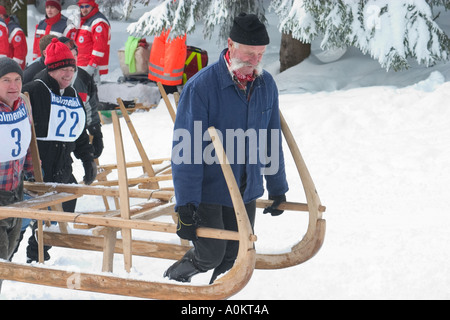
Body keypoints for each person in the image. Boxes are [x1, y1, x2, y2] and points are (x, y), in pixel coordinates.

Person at [164, 13, 289, 284]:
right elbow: (185, 149)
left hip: (247, 189)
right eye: (248, 53)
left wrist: (277, 186)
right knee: (211, 254)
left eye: (260, 54)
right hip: (210, 188)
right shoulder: (201, 87)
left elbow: (270, 139)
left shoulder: (266, 84)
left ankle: (217, 295)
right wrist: (186, 206)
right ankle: (171, 282)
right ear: (231, 45)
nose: (254, 61)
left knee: (235, 255)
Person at [22, 38, 97, 262]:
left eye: (72, 69)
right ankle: (8, 260)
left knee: (60, 213)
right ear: (51, 69)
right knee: (22, 220)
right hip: (36, 169)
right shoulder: (33, 90)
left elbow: (79, 132)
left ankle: (37, 254)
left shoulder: (72, 94)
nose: (68, 74)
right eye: (63, 69)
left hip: (62, 167)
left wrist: (87, 159)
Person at [0, 58, 34, 291]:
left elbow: (26, 142)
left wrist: (31, 170)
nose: (13, 85)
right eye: (6, 80)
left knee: (9, 253)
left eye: (17, 80)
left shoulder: (22, 105)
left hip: (16, 189)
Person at [59, 36, 103, 159]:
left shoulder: (84, 79)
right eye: (68, 57)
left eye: (75, 56)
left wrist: (96, 133)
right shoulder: (49, 78)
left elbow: (91, 107)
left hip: (78, 133)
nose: (72, 61)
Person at [74, 0, 111, 82]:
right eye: (82, 7)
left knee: (89, 93)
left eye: (87, 6)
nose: (84, 9)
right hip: (80, 66)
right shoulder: (85, 20)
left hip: (90, 69)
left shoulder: (99, 22)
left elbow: (99, 48)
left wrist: (92, 66)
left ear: (93, 6)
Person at [148, 30, 187, 94]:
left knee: (169, 95)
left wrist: (168, 71)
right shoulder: (166, 26)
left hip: (167, 73)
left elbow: (172, 51)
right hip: (164, 72)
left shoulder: (173, 30)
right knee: (167, 94)